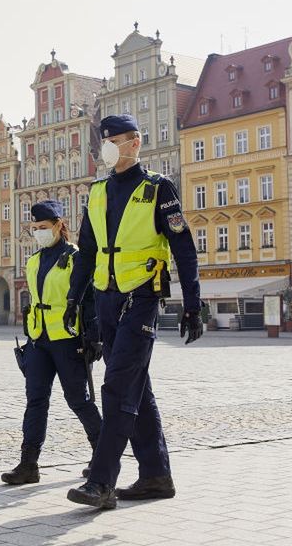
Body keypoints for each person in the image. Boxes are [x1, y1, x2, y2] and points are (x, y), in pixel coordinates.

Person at [65, 114, 203, 509]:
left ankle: (101, 481)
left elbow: (183, 248)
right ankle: (156, 475)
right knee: (135, 389)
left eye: (113, 140)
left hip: (141, 299)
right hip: (106, 299)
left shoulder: (159, 189)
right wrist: (76, 300)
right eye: (102, 140)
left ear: (134, 143)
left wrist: (192, 304)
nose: (105, 146)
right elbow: (87, 252)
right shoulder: (96, 192)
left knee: (117, 387)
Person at [2, 200, 103, 486]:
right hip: (39, 340)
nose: (38, 233)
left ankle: (103, 457)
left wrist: (96, 338)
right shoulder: (34, 261)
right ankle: (28, 464)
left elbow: (91, 300)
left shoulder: (76, 258)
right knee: (35, 401)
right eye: (34, 228)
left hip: (69, 340)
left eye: (43, 227)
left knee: (79, 401)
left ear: (60, 225)